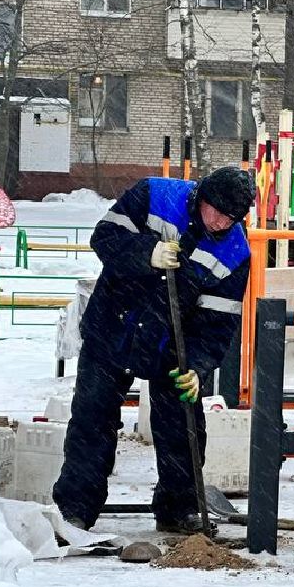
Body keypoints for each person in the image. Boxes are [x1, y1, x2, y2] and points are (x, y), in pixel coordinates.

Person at [53, 167, 256, 534]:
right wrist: (148, 253)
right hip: (113, 326)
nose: (220, 223)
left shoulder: (236, 253)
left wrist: (197, 366)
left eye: (231, 218)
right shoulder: (155, 196)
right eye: (216, 212)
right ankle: (75, 509)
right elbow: (105, 238)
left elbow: (218, 324)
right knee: (93, 418)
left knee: (183, 423)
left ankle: (179, 509)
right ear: (201, 197)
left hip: (170, 343)